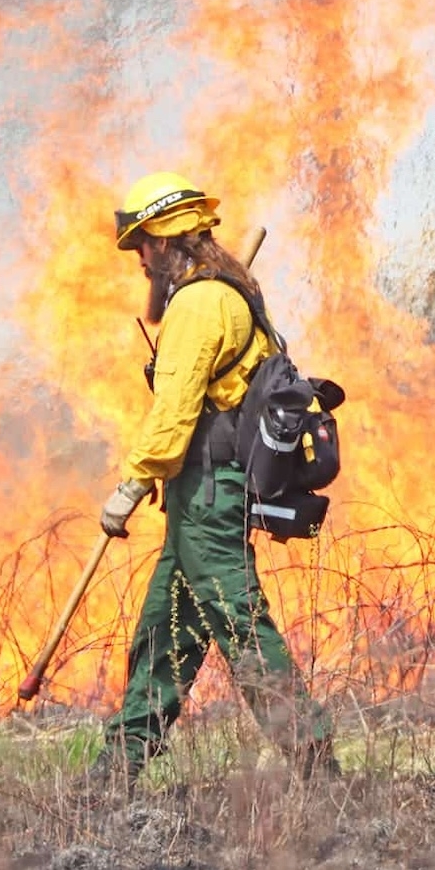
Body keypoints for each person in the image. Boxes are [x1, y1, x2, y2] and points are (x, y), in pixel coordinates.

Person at [90, 170, 338, 791]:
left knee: (240, 622)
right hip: (199, 492)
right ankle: (120, 766)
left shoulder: (199, 304)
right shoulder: (227, 289)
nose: (140, 259)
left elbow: (174, 412)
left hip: (207, 490)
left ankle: (315, 763)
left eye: (142, 245)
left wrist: (132, 482)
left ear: (166, 241)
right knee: (165, 627)